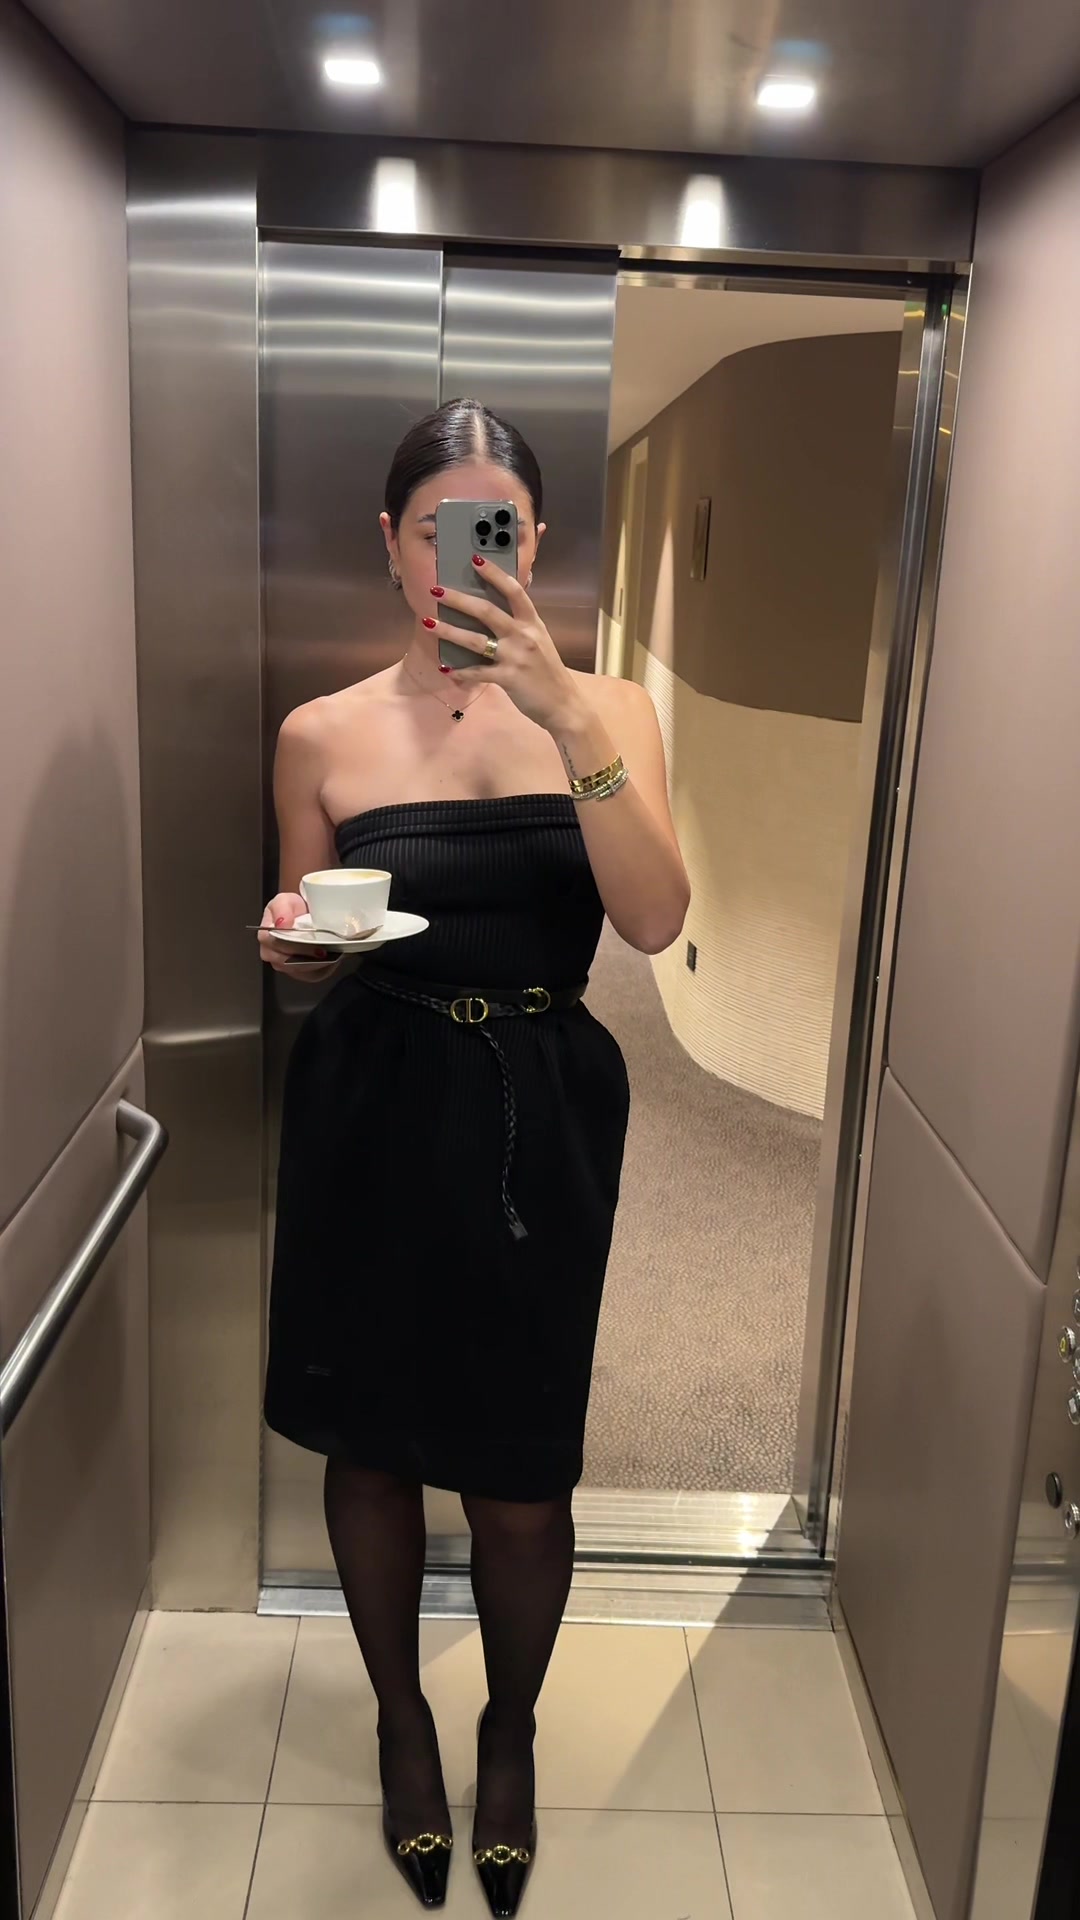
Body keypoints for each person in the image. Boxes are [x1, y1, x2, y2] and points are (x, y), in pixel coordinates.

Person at [259, 398, 690, 1915]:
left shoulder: (612, 712)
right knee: (371, 1448)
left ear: (535, 542)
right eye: (436, 529)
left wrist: (570, 722)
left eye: (494, 528)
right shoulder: (320, 733)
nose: (462, 556)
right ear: (392, 545)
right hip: (371, 1105)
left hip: (539, 1113)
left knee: (520, 1469)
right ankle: (403, 1725)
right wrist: (292, 948)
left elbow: (653, 919)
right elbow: (308, 929)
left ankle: (509, 1729)